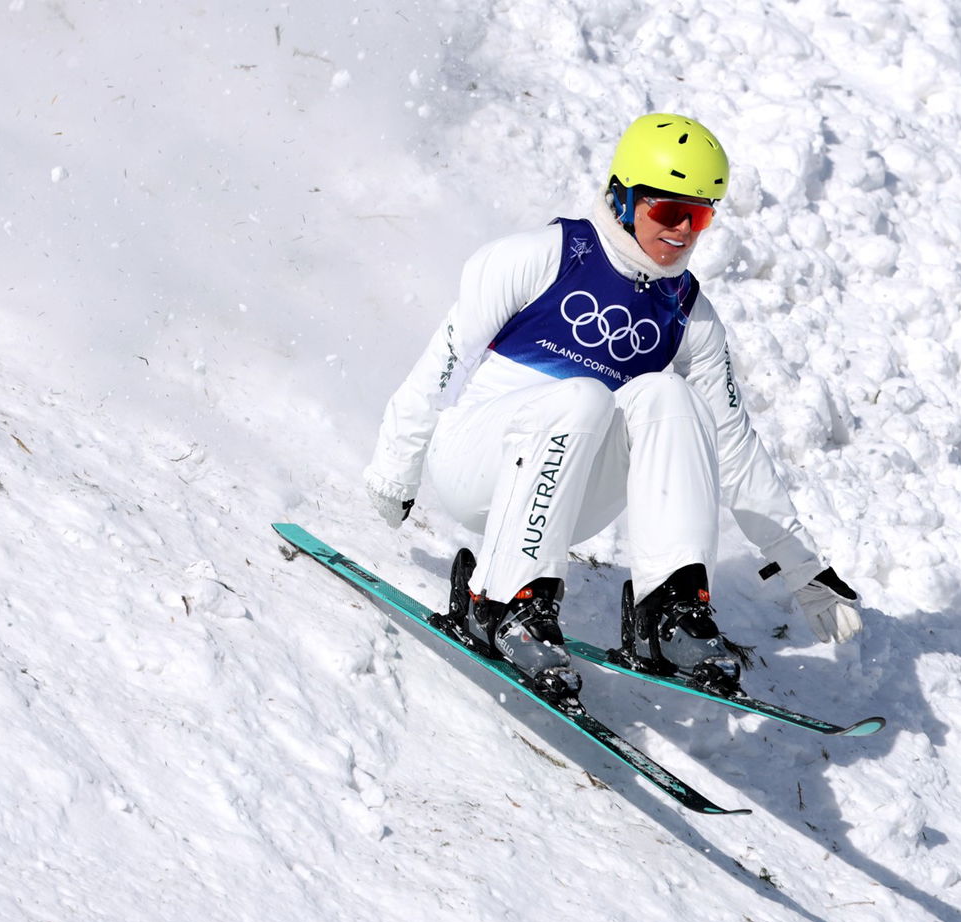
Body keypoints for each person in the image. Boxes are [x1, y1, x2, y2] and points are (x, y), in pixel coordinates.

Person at [362, 112, 863, 696]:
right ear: (623, 197)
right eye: (668, 211)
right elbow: (442, 364)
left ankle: (667, 613)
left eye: (698, 215)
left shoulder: (688, 314)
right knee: (580, 397)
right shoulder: (544, 256)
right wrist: (394, 469)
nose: (683, 231)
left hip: (568, 492)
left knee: (667, 394)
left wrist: (801, 567)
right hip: (476, 463)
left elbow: (734, 443)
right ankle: (502, 604)